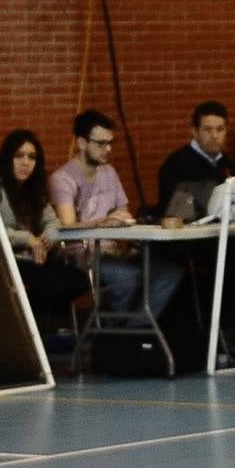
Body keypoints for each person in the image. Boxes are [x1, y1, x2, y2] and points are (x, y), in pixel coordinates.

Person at [50, 109, 183, 319]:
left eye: (110, 143)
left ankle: (133, 331)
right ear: (82, 143)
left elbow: (124, 212)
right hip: (82, 255)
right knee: (129, 277)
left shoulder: (109, 172)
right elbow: (67, 224)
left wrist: (118, 220)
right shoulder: (62, 179)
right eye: (101, 143)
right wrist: (107, 221)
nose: (108, 149)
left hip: (115, 251)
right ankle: (115, 331)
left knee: (169, 273)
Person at [0, 129, 89, 333]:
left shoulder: (32, 187)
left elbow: (52, 221)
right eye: (19, 156)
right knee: (52, 284)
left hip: (31, 258)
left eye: (32, 157)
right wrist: (27, 240)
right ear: (7, 157)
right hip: (1, 260)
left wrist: (46, 239)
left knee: (79, 279)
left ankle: (32, 326)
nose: (26, 162)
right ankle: (29, 329)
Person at [157, 100, 233, 220]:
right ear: (194, 132)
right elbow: (176, 210)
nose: (214, 136)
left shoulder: (227, 162)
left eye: (220, 129)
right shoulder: (176, 164)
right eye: (208, 130)